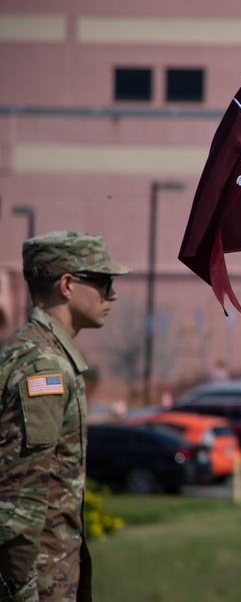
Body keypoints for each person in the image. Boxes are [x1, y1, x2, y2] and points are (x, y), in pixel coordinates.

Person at [0, 231, 131, 602]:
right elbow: (20, 496)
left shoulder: (25, 351)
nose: (112, 295)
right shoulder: (44, 367)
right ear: (68, 285)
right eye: (103, 282)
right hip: (38, 584)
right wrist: (22, 592)